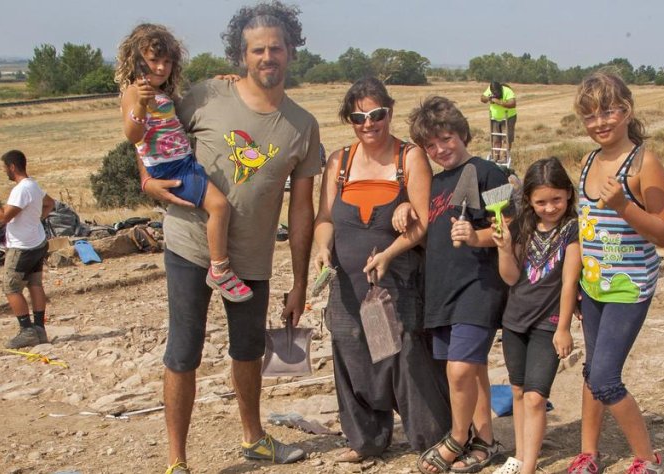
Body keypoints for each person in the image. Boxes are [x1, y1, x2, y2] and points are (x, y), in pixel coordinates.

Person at [139, 2, 321, 473]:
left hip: (251, 259)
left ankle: (254, 439)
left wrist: (300, 281)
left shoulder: (303, 126)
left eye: (276, 48)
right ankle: (176, 461)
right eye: (257, 49)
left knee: (249, 350)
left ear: (291, 51)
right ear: (243, 55)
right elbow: (152, 134)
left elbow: (302, 213)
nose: (268, 57)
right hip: (189, 246)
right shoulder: (204, 96)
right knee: (183, 351)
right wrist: (145, 178)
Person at [312, 77, 450, 463]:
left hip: (394, 280)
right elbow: (324, 218)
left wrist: (389, 253)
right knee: (352, 348)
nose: (368, 123)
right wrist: (322, 248)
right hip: (348, 284)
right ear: (349, 120)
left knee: (401, 353)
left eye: (376, 114)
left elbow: (423, 223)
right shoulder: (339, 162)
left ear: (389, 112)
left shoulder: (410, 158)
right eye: (358, 117)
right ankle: (367, 441)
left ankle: (431, 439)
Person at [568, 71, 664, 474]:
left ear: (627, 110)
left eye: (609, 111)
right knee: (593, 370)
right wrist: (577, 285)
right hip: (593, 287)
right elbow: (584, 230)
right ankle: (588, 453)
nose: (600, 123)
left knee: (606, 377)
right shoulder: (589, 160)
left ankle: (648, 460)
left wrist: (623, 206)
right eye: (591, 116)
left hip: (629, 289)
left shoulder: (646, 164)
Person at [116, 23, 252, 303]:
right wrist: (140, 106)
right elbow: (133, 135)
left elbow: (180, 113)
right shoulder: (135, 92)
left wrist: (216, 82)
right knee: (219, 206)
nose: (161, 67)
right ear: (136, 60)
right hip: (172, 168)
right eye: (154, 60)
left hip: (183, 161)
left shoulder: (162, 93)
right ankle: (220, 269)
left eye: (167, 62)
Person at [409, 96, 509, 474]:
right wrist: (406, 209)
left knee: (459, 371)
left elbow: (509, 229)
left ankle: (456, 437)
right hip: (443, 290)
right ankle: (484, 442)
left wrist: (476, 235)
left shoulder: (490, 173)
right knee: (475, 368)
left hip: (479, 287)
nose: (440, 149)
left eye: (446, 138)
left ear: (462, 132)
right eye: (431, 146)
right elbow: (421, 220)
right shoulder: (435, 183)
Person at [491, 157, 581, 474]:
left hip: (549, 324)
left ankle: (528, 466)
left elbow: (570, 281)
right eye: (541, 201)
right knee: (517, 391)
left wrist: (564, 328)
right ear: (528, 200)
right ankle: (519, 455)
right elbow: (511, 278)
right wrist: (503, 248)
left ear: (568, 194)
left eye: (556, 199)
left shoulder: (573, 230)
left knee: (534, 397)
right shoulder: (522, 227)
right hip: (514, 320)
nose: (549, 207)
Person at [0, 150, 55, 349]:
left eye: (4, 168)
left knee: (10, 287)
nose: (4, 172)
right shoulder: (33, 185)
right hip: (38, 242)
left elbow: (3, 216)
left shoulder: (21, 189)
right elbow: (49, 203)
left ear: (12, 167)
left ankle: (27, 331)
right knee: (35, 284)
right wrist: (35, 220)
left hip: (22, 248)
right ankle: (39, 329)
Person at [480, 81, 517, 161]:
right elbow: (482, 98)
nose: (496, 95)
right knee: (496, 139)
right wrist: (488, 98)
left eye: (497, 93)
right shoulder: (490, 90)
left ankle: (505, 157)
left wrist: (499, 102)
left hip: (508, 118)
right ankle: (496, 157)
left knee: (506, 139)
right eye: (494, 93)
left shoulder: (507, 91)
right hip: (495, 118)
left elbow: (513, 103)